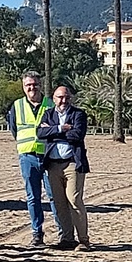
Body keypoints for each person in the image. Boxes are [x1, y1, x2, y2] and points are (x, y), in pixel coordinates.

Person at [4, 72, 56, 247]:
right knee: (33, 197)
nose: (32, 88)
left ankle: (63, 234)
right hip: (27, 157)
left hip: (49, 157)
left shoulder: (51, 104)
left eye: (35, 84)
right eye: (28, 85)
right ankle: (37, 233)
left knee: (54, 196)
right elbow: (14, 129)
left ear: (40, 85)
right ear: (23, 87)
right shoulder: (17, 106)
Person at [38, 85, 91, 250]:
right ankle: (67, 239)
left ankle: (83, 240)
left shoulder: (78, 114)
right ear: (53, 99)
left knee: (74, 200)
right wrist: (61, 128)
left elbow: (77, 135)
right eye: (60, 97)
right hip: (53, 165)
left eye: (67, 97)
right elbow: (40, 133)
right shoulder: (48, 114)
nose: (64, 101)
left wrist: (52, 132)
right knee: (59, 203)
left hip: (72, 163)